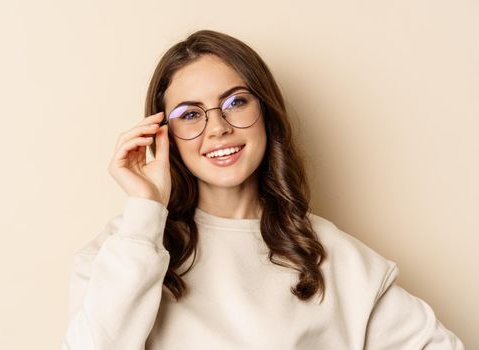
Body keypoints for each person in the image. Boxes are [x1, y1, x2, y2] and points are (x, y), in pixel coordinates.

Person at [61, 30, 464, 349]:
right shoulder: (122, 250)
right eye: (189, 114)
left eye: (236, 102)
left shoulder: (336, 258)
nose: (217, 128)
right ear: (164, 135)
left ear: (266, 113)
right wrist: (145, 209)